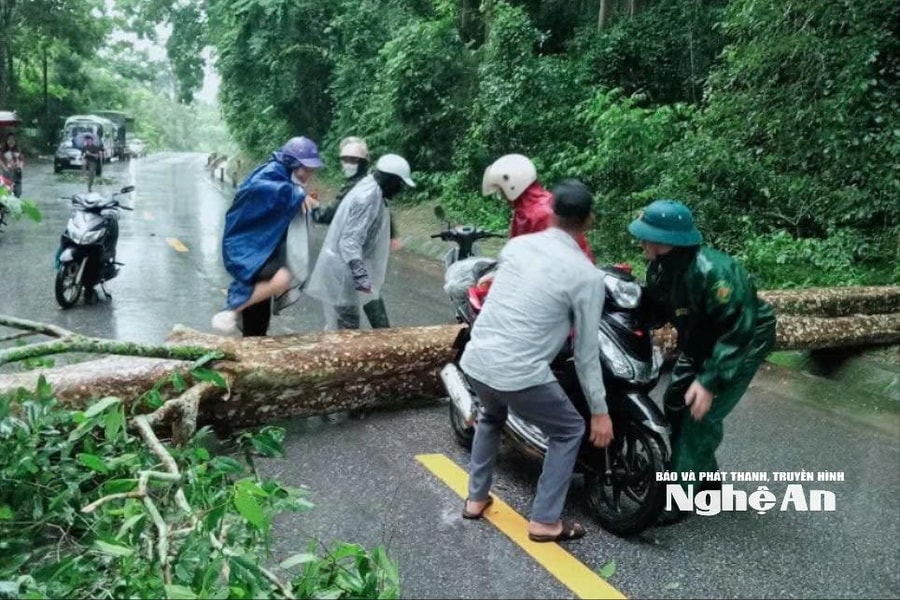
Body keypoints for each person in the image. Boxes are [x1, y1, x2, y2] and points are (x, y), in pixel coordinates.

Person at [459, 180, 613, 543]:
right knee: (569, 429)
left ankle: (475, 499)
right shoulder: (587, 276)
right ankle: (545, 521)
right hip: (518, 373)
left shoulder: (517, 246)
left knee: (491, 416)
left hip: (478, 357)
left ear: (553, 211)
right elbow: (587, 352)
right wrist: (600, 411)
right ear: (589, 219)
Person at [627, 199, 777, 524]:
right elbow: (656, 308)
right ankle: (707, 484)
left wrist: (709, 381)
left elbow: (739, 328)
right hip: (700, 339)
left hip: (742, 340)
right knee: (676, 404)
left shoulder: (714, 273)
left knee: (700, 417)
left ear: (666, 241)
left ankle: (678, 498)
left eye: (646, 236)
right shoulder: (661, 269)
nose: (641, 242)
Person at [211, 136, 323, 335]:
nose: (310, 174)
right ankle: (231, 309)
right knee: (281, 278)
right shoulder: (272, 173)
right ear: (294, 164)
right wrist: (295, 194)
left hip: (264, 246)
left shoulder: (286, 177)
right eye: (307, 168)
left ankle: (250, 348)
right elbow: (259, 188)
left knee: (258, 322)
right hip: (247, 245)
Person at [305, 153, 415, 330]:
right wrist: (361, 276)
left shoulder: (374, 189)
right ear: (389, 179)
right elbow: (349, 241)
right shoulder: (367, 198)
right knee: (346, 327)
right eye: (399, 183)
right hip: (343, 270)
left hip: (347, 268)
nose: (400, 189)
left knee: (341, 324)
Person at [481, 154, 595, 262]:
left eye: (502, 190)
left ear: (512, 186)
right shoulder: (527, 209)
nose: (503, 196)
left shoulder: (540, 214)